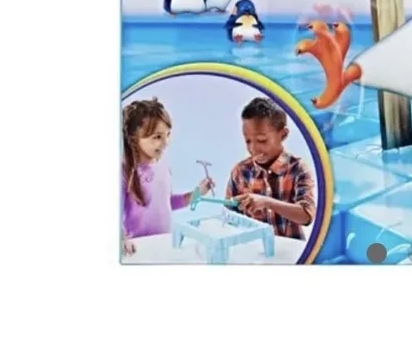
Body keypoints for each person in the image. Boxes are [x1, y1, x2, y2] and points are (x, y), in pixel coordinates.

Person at [121, 98, 213, 255]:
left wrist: (197, 193)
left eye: (167, 135)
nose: (165, 143)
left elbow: (166, 203)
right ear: (134, 139)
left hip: (164, 244)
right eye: (157, 137)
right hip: (137, 249)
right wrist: (121, 239)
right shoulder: (124, 171)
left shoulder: (163, 168)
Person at [225, 98, 316, 239]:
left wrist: (267, 202)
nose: (253, 148)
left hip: (291, 250)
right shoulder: (240, 172)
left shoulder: (297, 168)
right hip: (254, 250)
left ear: (283, 135)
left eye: (262, 140)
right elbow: (228, 217)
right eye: (248, 141)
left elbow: (307, 216)